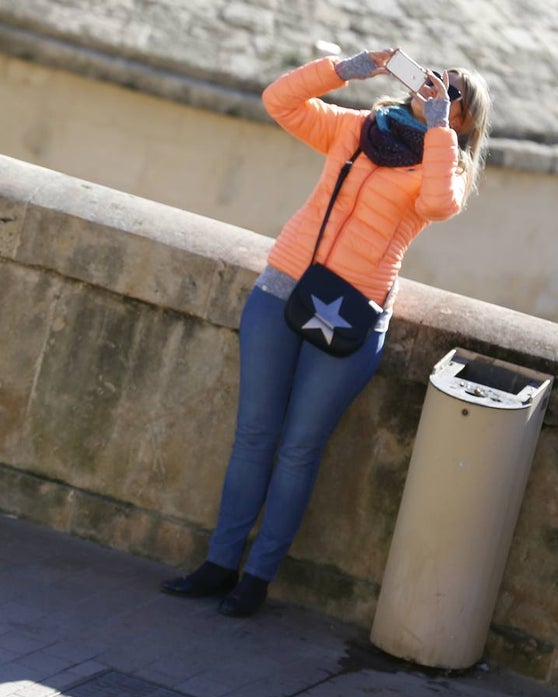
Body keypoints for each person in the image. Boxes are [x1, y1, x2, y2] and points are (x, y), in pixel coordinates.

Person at [162, 48, 491, 617]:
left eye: (453, 93)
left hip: (353, 311)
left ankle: (257, 578)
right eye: (436, 77)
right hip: (284, 286)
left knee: (298, 451)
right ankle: (219, 564)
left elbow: (438, 205)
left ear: (465, 120)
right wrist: (342, 68)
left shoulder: (446, 166)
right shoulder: (359, 129)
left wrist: (439, 132)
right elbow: (279, 102)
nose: (438, 88)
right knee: (254, 435)